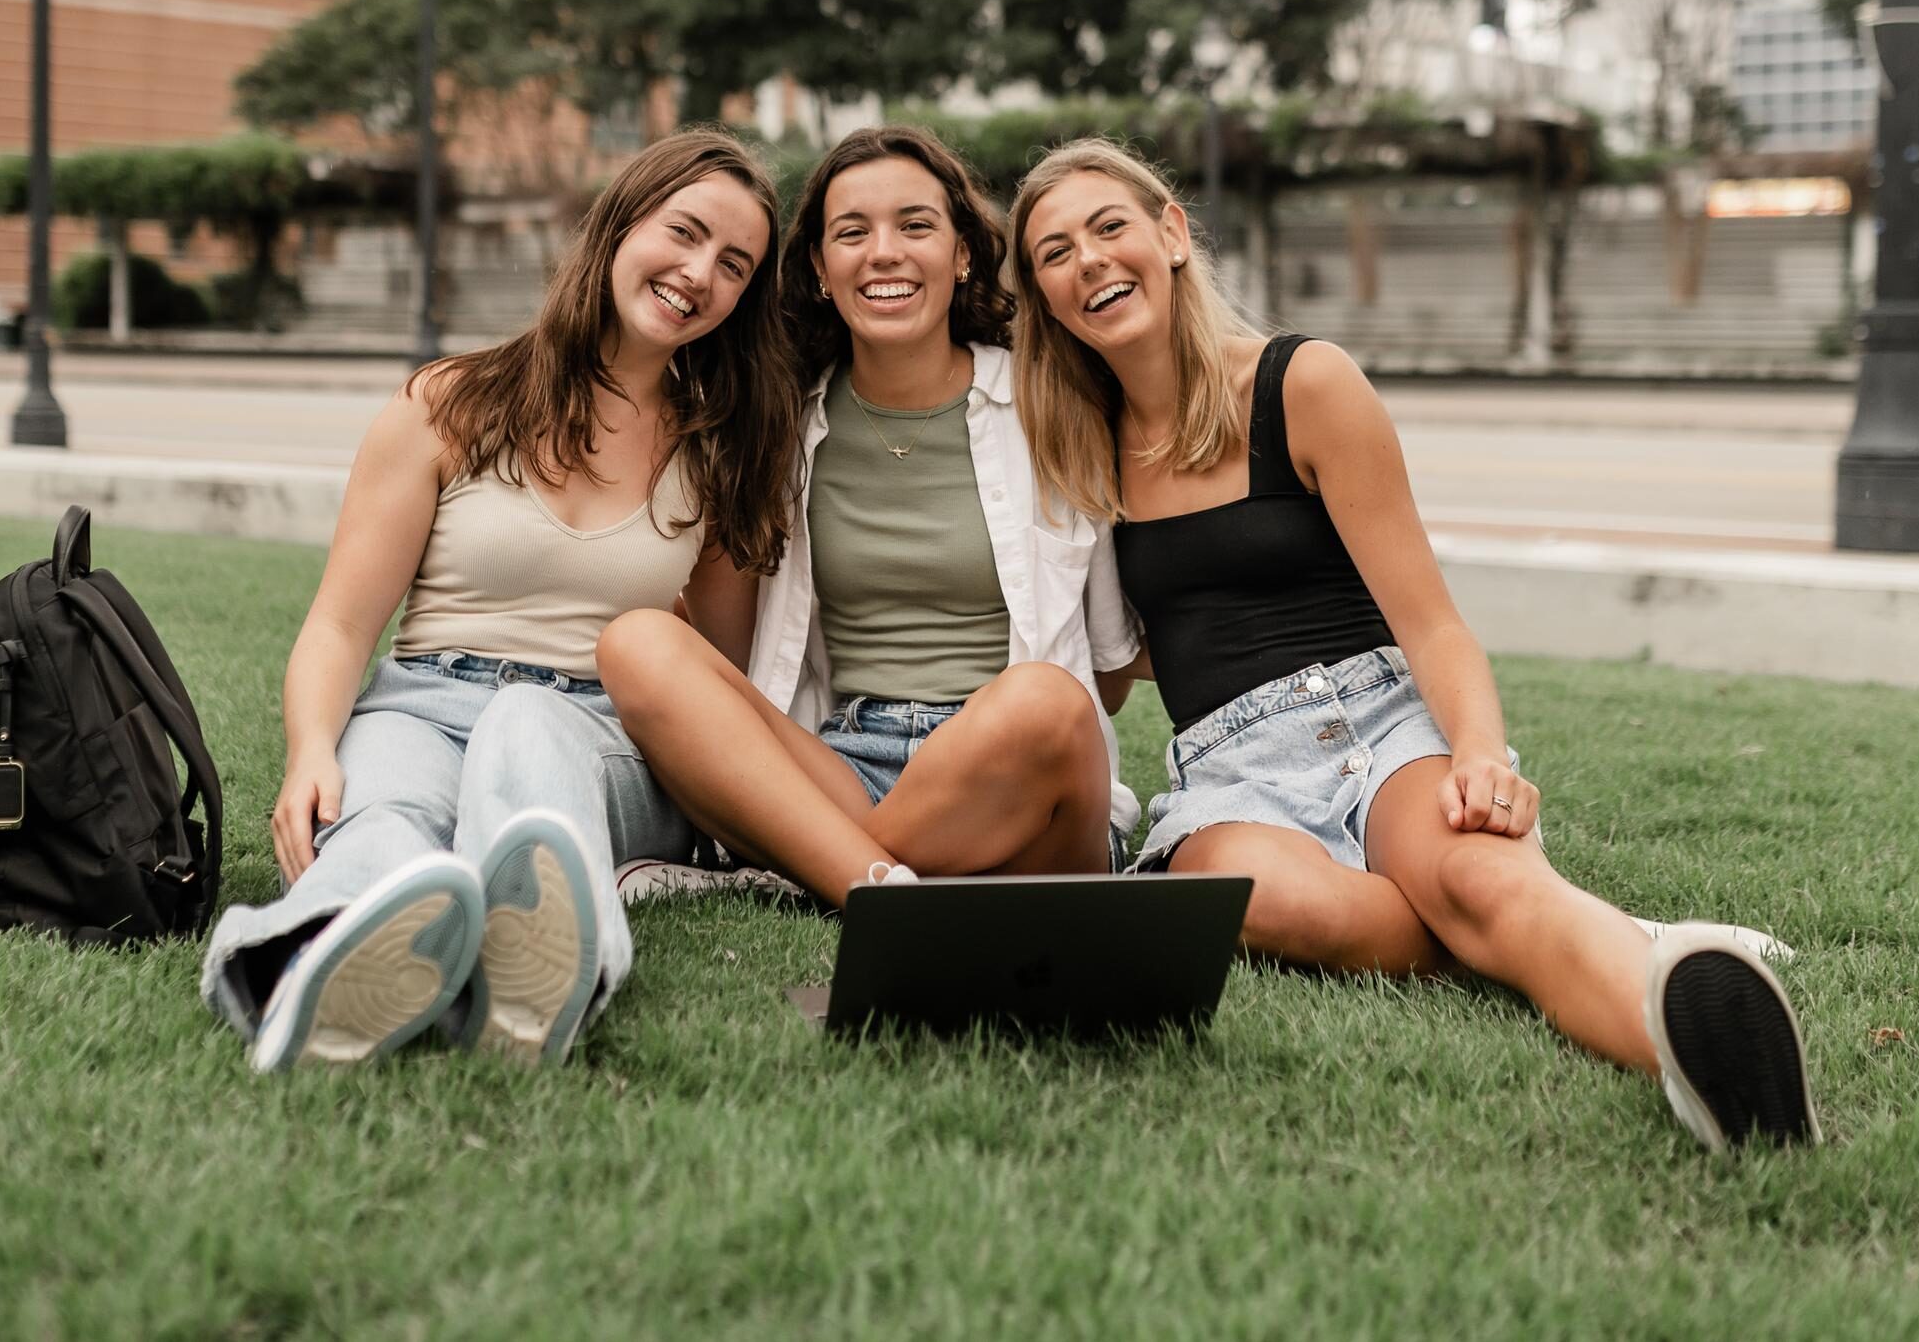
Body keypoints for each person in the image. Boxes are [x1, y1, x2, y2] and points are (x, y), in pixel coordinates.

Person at [1009, 138, 1815, 1154]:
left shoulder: (1303, 382)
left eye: (1108, 226)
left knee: (1480, 880)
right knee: (1254, 905)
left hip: (1378, 720)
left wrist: (1479, 753)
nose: (1088, 260)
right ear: (1039, 296)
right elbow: (1123, 663)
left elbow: (1430, 619)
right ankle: (1601, 936)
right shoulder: (1072, 450)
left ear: (1171, 233)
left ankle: (1717, 1078)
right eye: (1052, 252)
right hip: (1229, 770)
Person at [199, 131, 799, 1073]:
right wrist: (312, 748)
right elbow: (342, 622)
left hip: (602, 734)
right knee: (386, 817)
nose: (699, 274)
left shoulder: (717, 452)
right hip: (425, 701)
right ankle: (296, 963)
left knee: (528, 722)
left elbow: (712, 674)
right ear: (618, 227)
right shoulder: (450, 402)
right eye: (683, 233)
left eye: (734, 265)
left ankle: (551, 975)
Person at [596, 125, 1143, 905]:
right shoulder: (782, 426)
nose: (883, 252)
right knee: (638, 642)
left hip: (1010, 768)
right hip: (846, 764)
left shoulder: (1051, 401)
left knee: (1044, 700)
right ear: (820, 268)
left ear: (962, 254)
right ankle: (879, 882)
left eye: (916, 226)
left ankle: (809, 870)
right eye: (851, 233)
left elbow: (1110, 678)